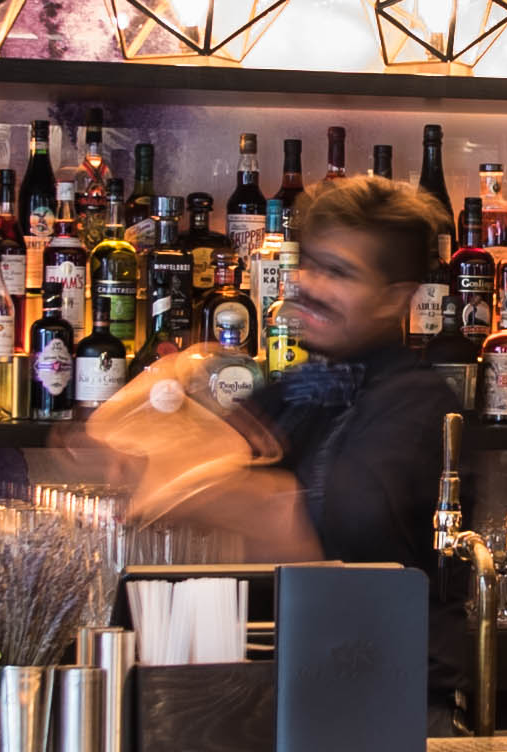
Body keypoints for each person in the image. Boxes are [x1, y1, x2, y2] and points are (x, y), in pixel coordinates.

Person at [65, 169, 458, 572]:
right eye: (309, 264)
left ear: (393, 300)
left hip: (384, 634)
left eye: (339, 273)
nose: (309, 285)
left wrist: (181, 482)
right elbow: (206, 448)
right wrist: (141, 434)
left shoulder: (419, 405)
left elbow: (325, 539)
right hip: (287, 632)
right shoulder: (300, 389)